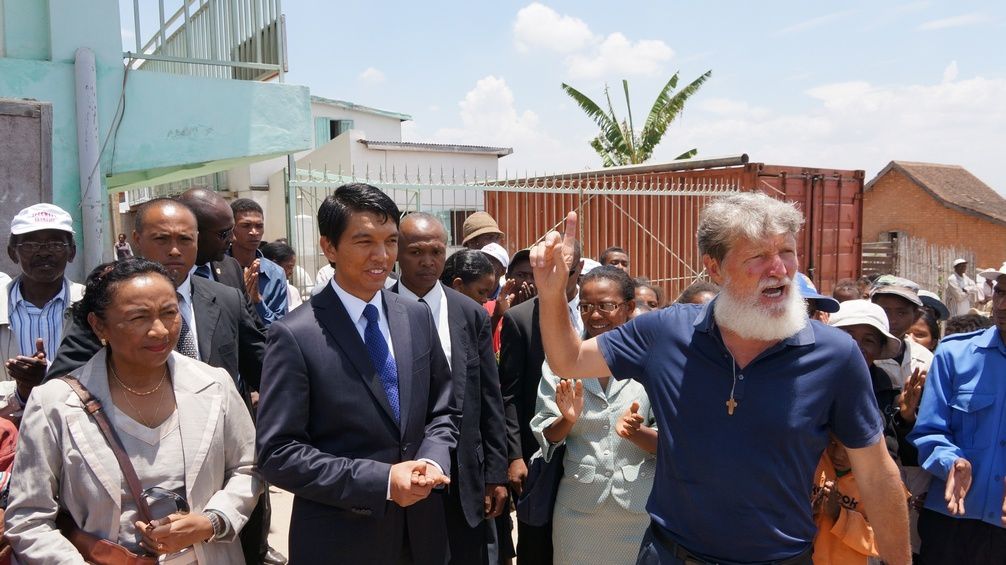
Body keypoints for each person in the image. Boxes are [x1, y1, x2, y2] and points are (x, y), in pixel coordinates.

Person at [529, 192, 910, 564]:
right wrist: (552, 293)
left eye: (787, 252)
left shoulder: (835, 355)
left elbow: (876, 474)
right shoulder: (665, 334)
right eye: (758, 257)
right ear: (714, 268)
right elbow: (570, 360)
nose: (778, 269)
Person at [4, 258, 260, 563]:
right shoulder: (53, 404)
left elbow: (249, 468)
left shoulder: (214, 385)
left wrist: (213, 521)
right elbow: (28, 517)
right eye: (138, 317)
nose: (159, 330)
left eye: (169, 313)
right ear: (99, 326)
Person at [255, 183, 458, 564]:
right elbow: (278, 453)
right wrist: (381, 481)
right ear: (329, 247)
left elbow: (443, 409)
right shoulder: (295, 335)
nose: (381, 256)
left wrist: (431, 461)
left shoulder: (414, 317)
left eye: (391, 241)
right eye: (364, 241)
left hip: (424, 535)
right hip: (341, 541)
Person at [395, 213, 508, 564]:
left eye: (436, 251)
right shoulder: (377, 310)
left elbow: (489, 396)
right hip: (401, 471)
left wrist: (494, 473)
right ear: (396, 253)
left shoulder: (469, 314)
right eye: (416, 252)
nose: (427, 262)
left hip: (462, 473)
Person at [531, 266, 656, 565]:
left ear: (627, 308)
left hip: (640, 509)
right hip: (578, 511)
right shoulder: (561, 363)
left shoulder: (651, 363)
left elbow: (671, 441)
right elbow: (546, 436)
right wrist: (567, 419)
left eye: (606, 306)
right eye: (586, 307)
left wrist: (637, 433)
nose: (595, 315)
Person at [908, 267, 1006, 563]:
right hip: (952, 522)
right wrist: (952, 461)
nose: (1002, 305)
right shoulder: (954, 354)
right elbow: (929, 432)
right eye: (1001, 292)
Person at [499, 240, 583, 565]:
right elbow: (509, 393)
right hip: (539, 452)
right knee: (538, 541)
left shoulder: (599, 314)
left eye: (567, 271)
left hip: (590, 453)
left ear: (579, 270)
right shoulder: (520, 319)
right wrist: (515, 455)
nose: (559, 278)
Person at [1, 204, 84, 420]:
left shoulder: (91, 306)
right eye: (30, 244)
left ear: (72, 251)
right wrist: (20, 391)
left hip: (77, 429)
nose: (44, 252)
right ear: (12, 252)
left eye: (56, 244)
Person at [176, 189, 249, 298]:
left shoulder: (231, 267)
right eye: (224, 233)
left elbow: (247, 314)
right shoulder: (167, 275)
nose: (232, 239)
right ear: (195, 234)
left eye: (232, 230)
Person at [228, 199, 288, 327]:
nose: (254, 232)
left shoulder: (276, 274)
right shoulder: (216, 267)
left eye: (259, 226)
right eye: (246, 226)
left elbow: (281, 326)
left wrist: (257, 302)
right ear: (232, 229)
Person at [260, 241, 303, 310]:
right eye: (289, 267)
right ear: (274, 265)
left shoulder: (292, 291)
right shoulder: (256, 290)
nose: (291, 272)